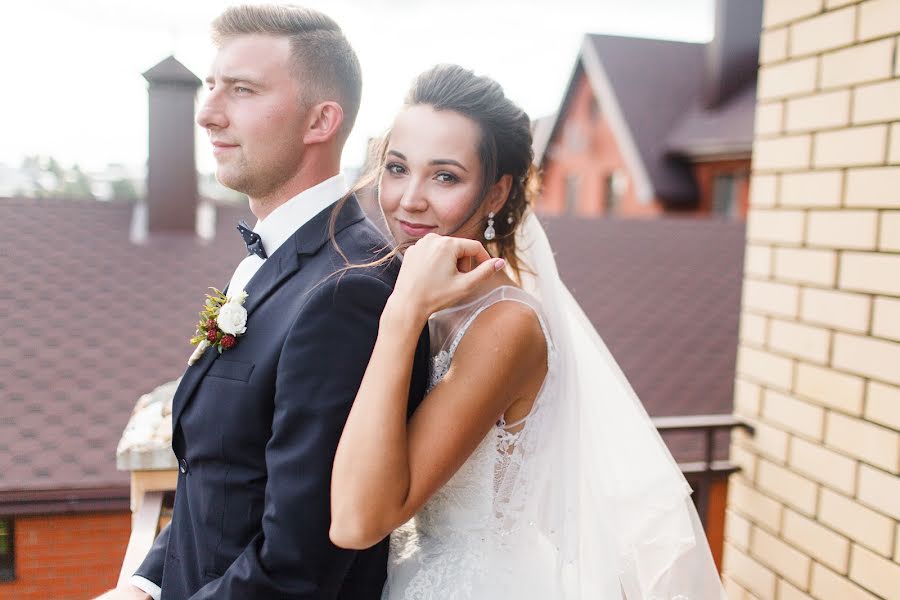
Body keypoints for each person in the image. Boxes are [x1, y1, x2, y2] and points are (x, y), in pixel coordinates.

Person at [329, 64, 727, 599]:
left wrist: (401, 314)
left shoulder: (506, 327)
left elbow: (358, 522)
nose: (409, 198)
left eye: (445, 176)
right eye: (397, 168)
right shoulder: (423, 295)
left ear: (496, 194)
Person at [95, 5, 429, 599]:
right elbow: (222, 479)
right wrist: (144, 585)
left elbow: (297, 566)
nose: (207, 112)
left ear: (320, 120)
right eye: (212, 87)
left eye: (242, 90)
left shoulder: (347, 291)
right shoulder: (273, 258)